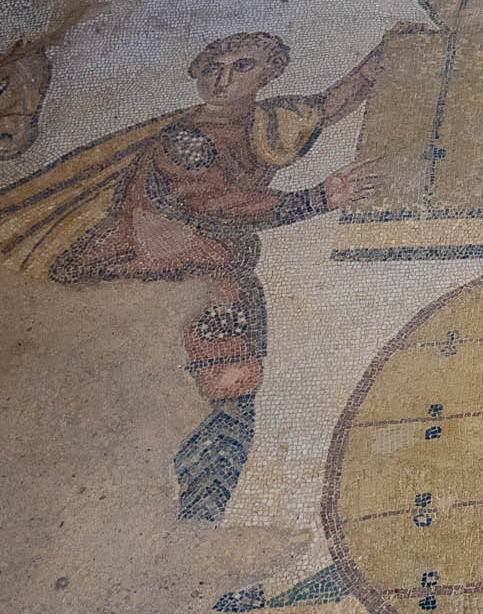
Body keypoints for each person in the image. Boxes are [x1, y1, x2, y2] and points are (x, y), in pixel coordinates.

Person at [0, 29, 407, 519]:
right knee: (216, 384)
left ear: (268, 75)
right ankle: (178, 508)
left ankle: (201, 508)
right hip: (160, 278)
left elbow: (324, 107)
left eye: (242, 66)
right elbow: (210, 201)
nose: (223, 78)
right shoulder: (185, 141)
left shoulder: (265, 123)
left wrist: (376, 62)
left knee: (233, 384)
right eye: (212, 68)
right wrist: (315, 199)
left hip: (216, 273)